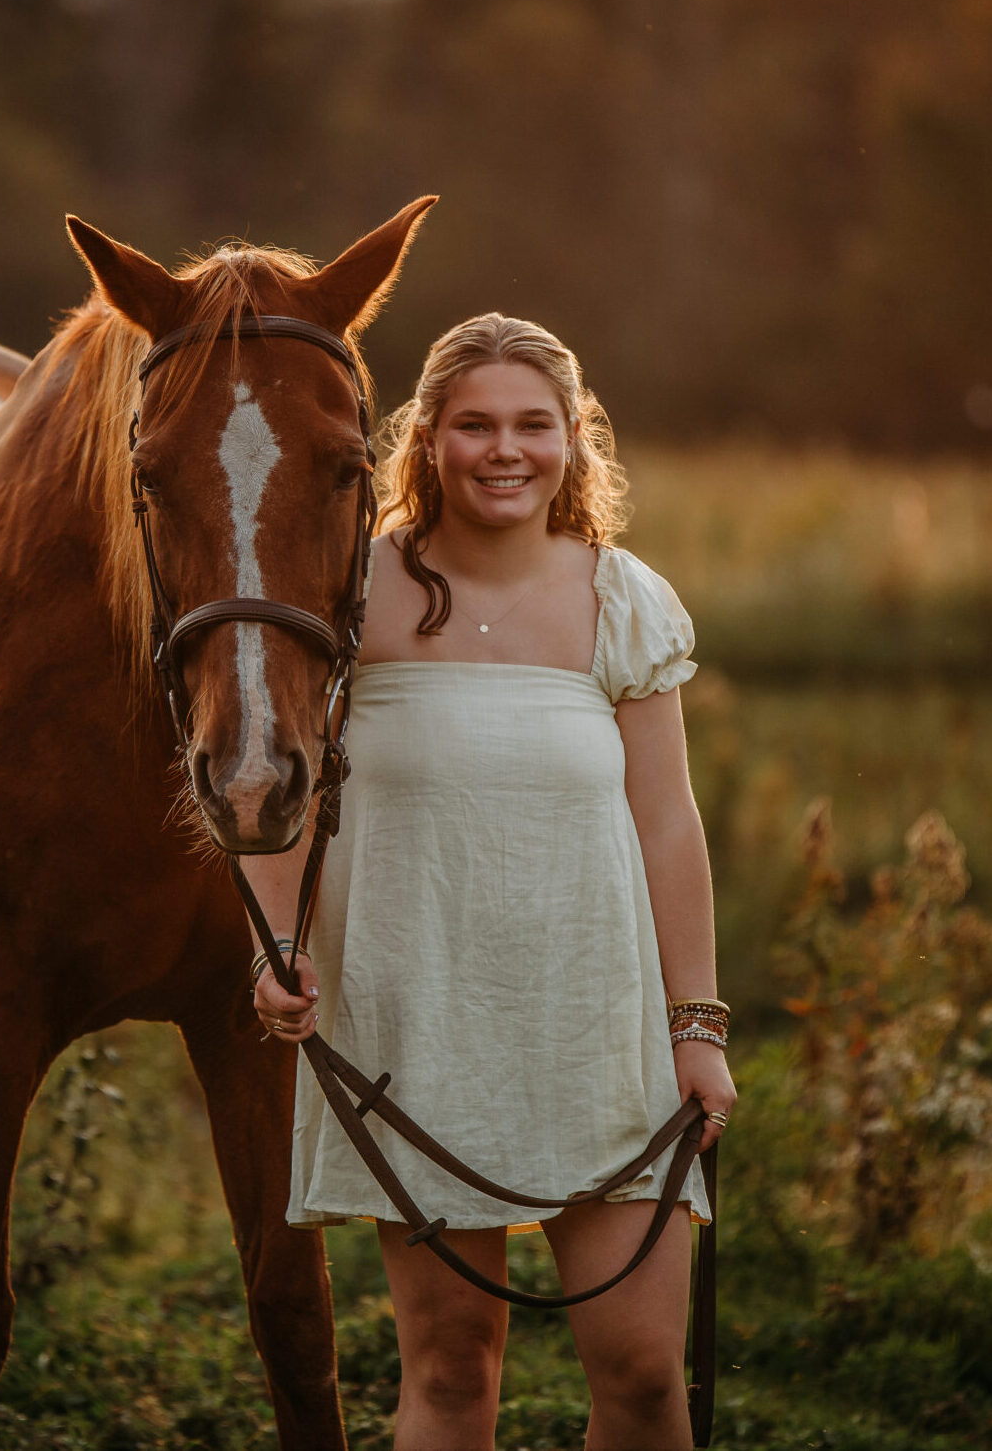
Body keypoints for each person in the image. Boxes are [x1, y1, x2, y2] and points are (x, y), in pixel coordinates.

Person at [247, 313, 737, 1451]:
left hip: (598, 1031)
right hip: (416, 1036)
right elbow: (280, 785)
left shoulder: (621, 599)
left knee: (642, 1380)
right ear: (426, 439)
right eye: (473, 425)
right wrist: (274, 947)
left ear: (573, 440)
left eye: (532, 425)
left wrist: (695, 1025)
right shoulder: (348, 595)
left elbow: (665, 823)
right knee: (452, 1373)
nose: (503, 450)